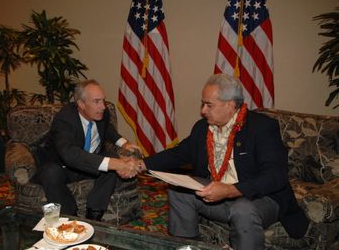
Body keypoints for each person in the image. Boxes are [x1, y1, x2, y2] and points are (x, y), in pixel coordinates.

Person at [141, 74, 309, 249]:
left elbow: (276, 176)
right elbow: (178, 154)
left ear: (230, 105)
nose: (203, 110)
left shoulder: (261, 127)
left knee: (242, 209)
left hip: (259, 198)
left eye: (209, 105)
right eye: (202, 104)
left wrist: (231, 190)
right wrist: (141, 164)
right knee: (179, 191)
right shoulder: (202, 128)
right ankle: (189, 246)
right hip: (219, 194)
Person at [36, 79, 141, 221]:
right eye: (96, 101)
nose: (103, 106)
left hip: (89, 164)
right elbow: (69, 153)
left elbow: (107, 128)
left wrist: (123, 143)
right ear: (80, 104)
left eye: (103, 101)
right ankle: (69, 217)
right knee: (50, 172)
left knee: (110, 158)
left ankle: (94, 214)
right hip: (62, 167)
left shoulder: (102, 112)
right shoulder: (64, 118)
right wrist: (116, 164)